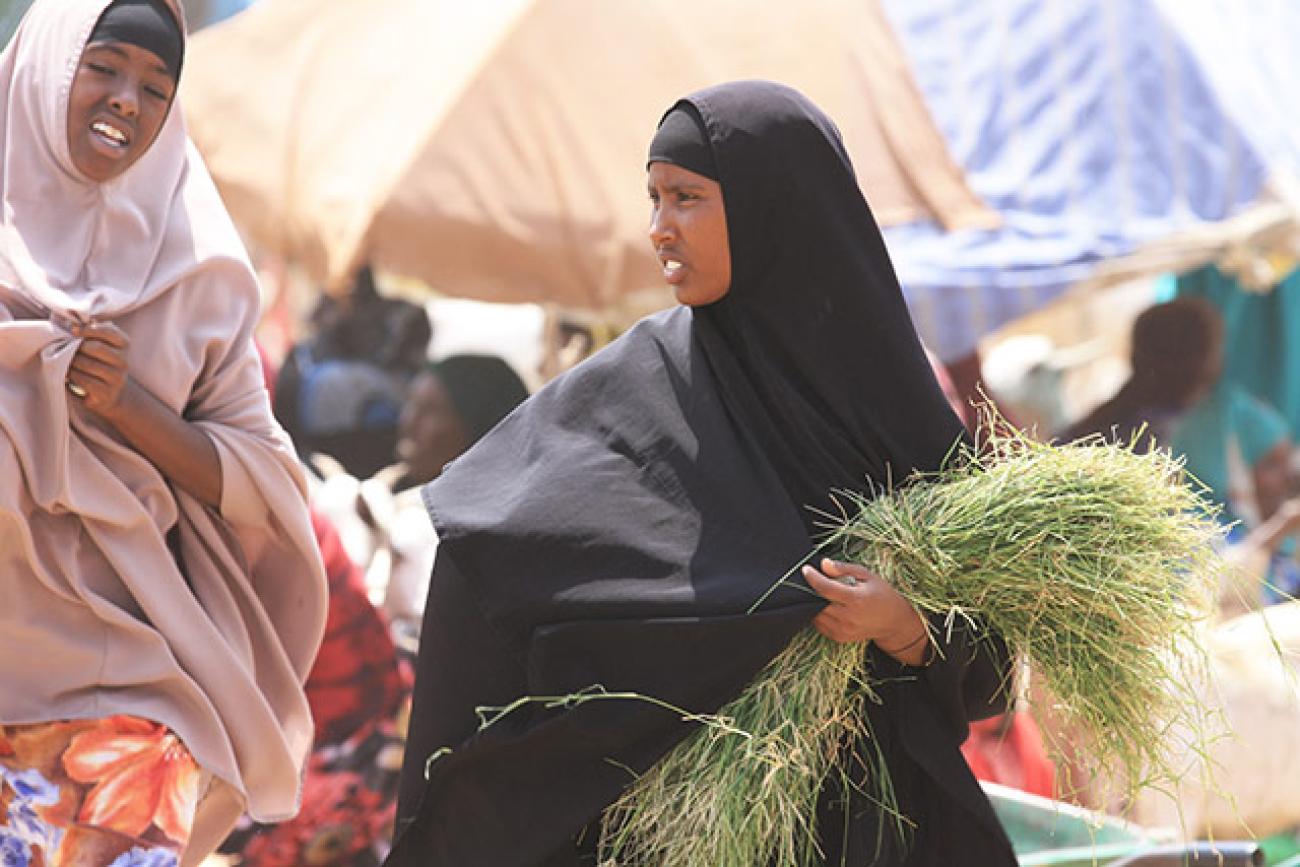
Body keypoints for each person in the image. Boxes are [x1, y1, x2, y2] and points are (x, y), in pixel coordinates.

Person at [387, 81, 1014, 866]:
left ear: (774, 208)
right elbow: (487, 539)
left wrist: (903, 626)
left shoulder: (893, 409)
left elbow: (996, 665)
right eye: (652, 198)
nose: (659, 228)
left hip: (868, 832)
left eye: (687, 197)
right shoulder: (627, 396)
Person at [0, 2, 328, 865]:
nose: (127, 101)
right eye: (102, 67)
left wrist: (131, 409)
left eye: (156, 84)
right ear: (43, 69)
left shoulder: (204, 272)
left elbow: (263, 477)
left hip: (127, 698)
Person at [313, 354, 530, 641]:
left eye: (431, 411)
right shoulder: (379, 499)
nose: (408, 422)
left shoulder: (492, 535)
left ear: (480, 425)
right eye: (411, 404)